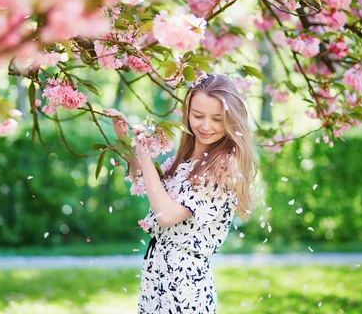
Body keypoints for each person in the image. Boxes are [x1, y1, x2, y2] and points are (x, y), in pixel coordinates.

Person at [105, 73, 258, 313]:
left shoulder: (223, 167)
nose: (205, 126)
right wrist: (126, 141)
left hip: (186, 283)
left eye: (217, 119)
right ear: (187, 113)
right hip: (158, 274)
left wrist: (145, 156)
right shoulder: (187, 159)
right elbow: (147, 184)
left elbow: (166, 215)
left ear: (231, 121)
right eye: (198, 116)